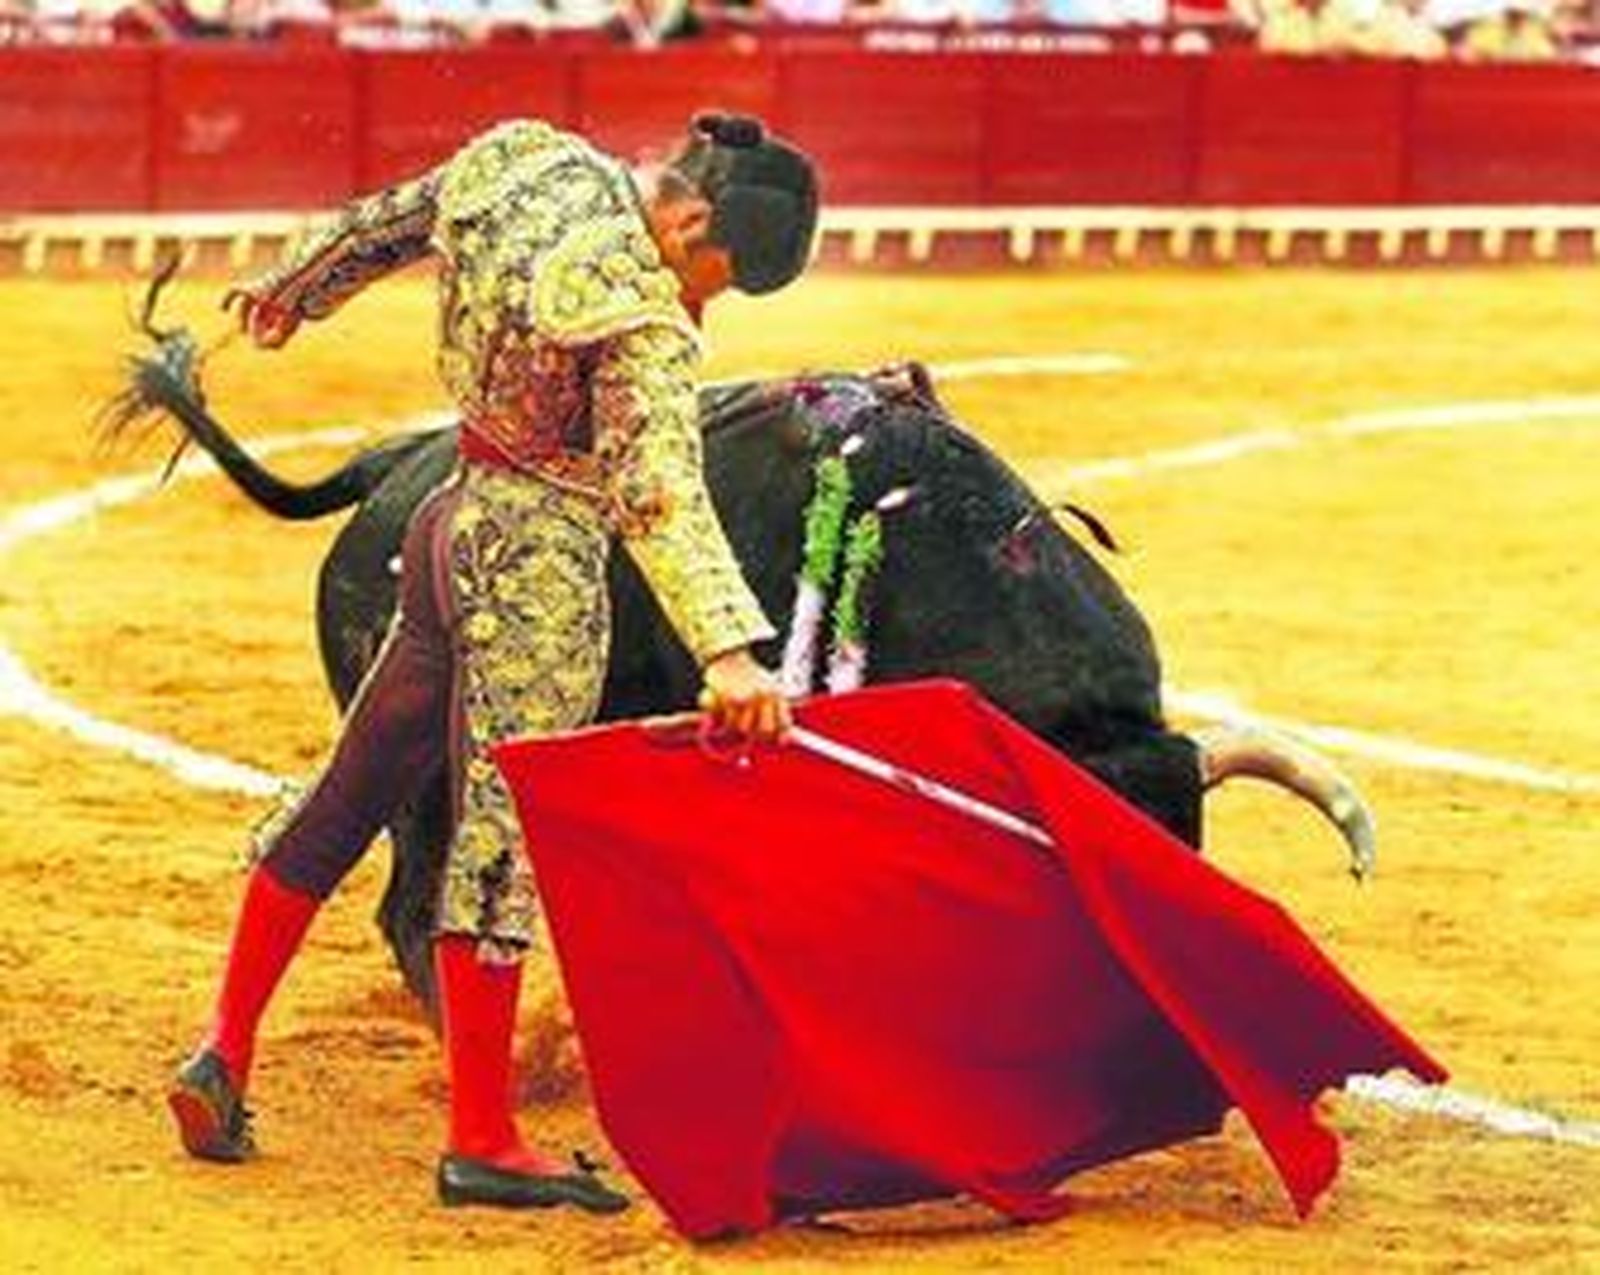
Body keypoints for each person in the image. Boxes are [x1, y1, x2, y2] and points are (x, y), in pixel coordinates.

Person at [165, 111, 818, 1213]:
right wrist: (729, 648)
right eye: (716, 274)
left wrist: (295, 287)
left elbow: (396, 217)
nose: (704, 298)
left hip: (445, 510)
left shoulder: (525, 157)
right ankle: (482, 1137)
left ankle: (222, 1049)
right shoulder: (640, 314)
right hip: (539, 561)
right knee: (502, 840)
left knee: (352, 789)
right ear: (693, 217)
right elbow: (657, 485)